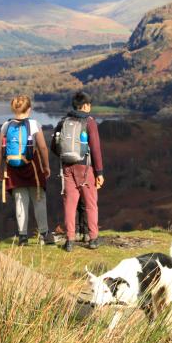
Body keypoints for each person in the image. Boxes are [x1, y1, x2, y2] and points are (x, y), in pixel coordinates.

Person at [0, 95, 54, 245]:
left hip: (13, 170)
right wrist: (46, 166)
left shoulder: (6, 126)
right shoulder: (34, 124)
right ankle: (44, 234)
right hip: (32, 168)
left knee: (21, 202)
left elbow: (0, 150)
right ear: (29, 109)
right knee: (39, 199)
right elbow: (42, 148)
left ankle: (22, 237)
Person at [52, 91, 104, 252]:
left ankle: (69, 241)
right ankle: (93, 238)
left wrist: (67, 158)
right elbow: (95, 149)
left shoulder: (63, 122)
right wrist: (100, 172)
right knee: (90, 204)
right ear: (86, 105)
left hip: (67, 168)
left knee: (70, 204)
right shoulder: (89, 122)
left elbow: (54, 147)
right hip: (85, 168)